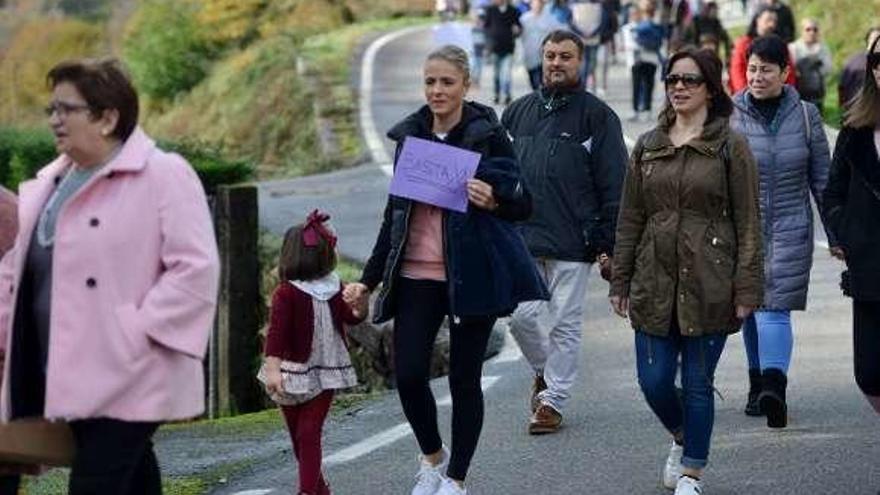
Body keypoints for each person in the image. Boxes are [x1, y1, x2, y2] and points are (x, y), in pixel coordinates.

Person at [0, 58, 220, 494]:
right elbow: (17, 273)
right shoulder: (52, 182)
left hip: (135, 367)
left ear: (107, 117)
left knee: (96, 482)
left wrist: (134, 332)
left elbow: (195, 267)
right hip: (69, 365)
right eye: (51, 110)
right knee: (131, 475)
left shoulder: (163, 173)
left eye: (67, 110)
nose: (54, 121)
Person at [343, 45, 547, 495]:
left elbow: (524, 203)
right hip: (417, 276)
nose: (437, 90)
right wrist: (368, 280)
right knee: (410, 373)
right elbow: (393, 218)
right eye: (430, 82)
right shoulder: (411, 138)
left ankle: (456, 480)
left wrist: (494, 200)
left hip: (472, 274)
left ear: (465, 85)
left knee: (464, 378)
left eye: (446, 82)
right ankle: (433, 459)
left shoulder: (488, 135)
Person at [610, 47, 763, 495]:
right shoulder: (649, 144)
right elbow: (630, 217)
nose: (678, 86)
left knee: (698, 382)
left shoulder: (730, 145)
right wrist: (620, 278)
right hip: (653, 279)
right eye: (672, 79)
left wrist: (747, 284)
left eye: (689, 80)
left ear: (711, 89)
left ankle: (692, 472)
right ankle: (682, 435)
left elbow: (749, 219)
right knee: (653, 381)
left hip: (710, 282)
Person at [502, 29, 627, 435]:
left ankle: (552, 401)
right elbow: (497, 172)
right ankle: (544, 372)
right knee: (520, 317)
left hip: (576, 239)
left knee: (564, 323)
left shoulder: (598, 116)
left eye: (565, 56)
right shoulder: (517, 112)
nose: (556, 63)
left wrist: (608, 244)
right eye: (551, 55)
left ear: (581, 62)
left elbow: (614, 184)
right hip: (522, 235)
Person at [730, 35, 832, 428]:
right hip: (743, 228)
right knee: (752, 307)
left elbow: (823, 180)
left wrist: (838, 236)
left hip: (791, 225)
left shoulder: (806, 115)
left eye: (766, 70)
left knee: (775, 307)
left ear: (785, 73)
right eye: (752, 68)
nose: (756, 77)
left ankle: (774, 386)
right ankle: (758, 383)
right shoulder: (730, 115)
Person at [259, 210, 363, 495]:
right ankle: (320, 489)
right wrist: (272, 369)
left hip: (327, 369)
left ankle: (306, 492)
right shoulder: (287, 293)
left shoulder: (333, 286)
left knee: (309, 432)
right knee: (298, 438)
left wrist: (359, 305)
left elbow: (350, 318)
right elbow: (276, 335)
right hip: (290, 371)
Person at [822, 35, 880, 421]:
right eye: (877, 61)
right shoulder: (855, 128)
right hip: (870, 264)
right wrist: (847, 232)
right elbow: (833, 192)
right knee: (870, 373)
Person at [728, 6, 796, 93]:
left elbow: (789, 71)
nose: (772, 24)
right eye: (768, 20)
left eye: (774, 21)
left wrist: (788, 93)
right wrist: (746, 96)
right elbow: (737, 72)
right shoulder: (744, 44)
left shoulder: (781, 44)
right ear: (758, 20)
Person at [623, 0, 666, 122]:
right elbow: (661, 42)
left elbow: (631, 43)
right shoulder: (653, 26)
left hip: (641, 59)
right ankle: (644, 109)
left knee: (642, 85)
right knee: (646, 84)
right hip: (648, 59)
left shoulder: (640, 27)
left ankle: (639, 110)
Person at [789, 18, 832, 114]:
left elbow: (828, 68)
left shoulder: (823, 49)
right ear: (802, 31)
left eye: (815, 29)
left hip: (817, 92)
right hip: (798, 92)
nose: (811, 32)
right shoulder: (793, 48)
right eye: (808, 29)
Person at [484, 0, 522, 104]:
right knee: (496, 74)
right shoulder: (491, 10)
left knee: (506, 74)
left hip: (508, 47)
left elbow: (519, 26)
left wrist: (517, 31)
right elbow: (486, 27)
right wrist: (487, 46)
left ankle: (507, 95)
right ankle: (497, 94)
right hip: (495, 48)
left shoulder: (513, 10)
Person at [520, 0, 563, 89]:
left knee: (542, 79)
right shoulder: (524, 19)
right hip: (529, 53)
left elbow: (558, 31)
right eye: (535, 4)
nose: (537, 6)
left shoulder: (550, 19)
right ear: (531, 5)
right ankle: (537, 95)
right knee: (533, 79)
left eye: (539, 4)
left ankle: (541, 98)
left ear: (543, 5)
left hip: (544, 54)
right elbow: (519, 33)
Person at [838, 27, 880, 111]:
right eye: (874, 39)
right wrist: (844, 106)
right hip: (857, 109)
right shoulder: (854, 61)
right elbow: (842, 86)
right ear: (868, 40)